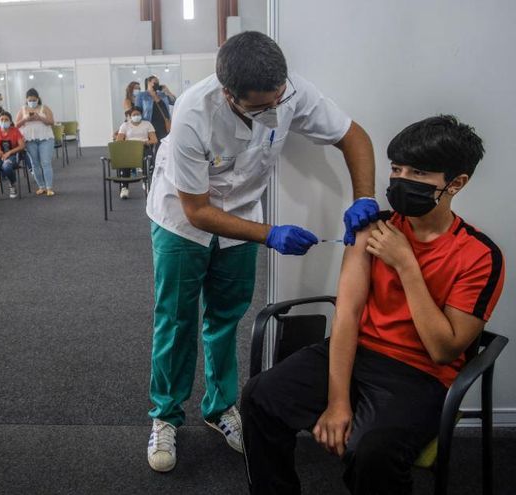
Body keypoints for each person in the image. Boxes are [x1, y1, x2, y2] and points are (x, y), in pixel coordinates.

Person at [143, 31, 379, 473]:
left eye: (279, 99)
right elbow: (197, 210)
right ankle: (166, 417)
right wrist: (269, 234)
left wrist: (363, 197)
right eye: (262, 106)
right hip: (181, 219)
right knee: (176, 321)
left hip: (242, 217)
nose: (276, 109)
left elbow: (354, 136)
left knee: (226, 318)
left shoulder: (290, 91)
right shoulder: (194, 111)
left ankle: (219, 409)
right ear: (230, 95)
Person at [240, 115, 505, 494]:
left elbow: (443, 349)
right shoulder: (372, 227)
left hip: (420, 375)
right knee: (260, 396)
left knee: (371, 452)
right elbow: (346, 314)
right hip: (358, 351)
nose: (400, 180)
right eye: (396, 168)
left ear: (456, 183)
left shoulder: (479, 255)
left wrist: (406, 265)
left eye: (418, 173)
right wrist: (338, 402)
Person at [15, 88, 57, 196]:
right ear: (26, 99)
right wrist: (26, 119)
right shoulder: (23, 109)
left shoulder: (45, 108)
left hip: (46, 138)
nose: (32, 102)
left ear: (38, 99)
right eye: (30, 100)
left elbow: (52, 122)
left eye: (34, 100)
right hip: (29, 140)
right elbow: (16, 125)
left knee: (46, 162)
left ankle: (49, 187)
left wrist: (39, 118)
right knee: (35, 164)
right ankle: (41, 186)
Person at [115, 105, 157, 199]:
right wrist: (129, 144)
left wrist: (145, 142)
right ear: (130, 116)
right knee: (124, 160)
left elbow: (154, 140)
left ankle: (145, 182)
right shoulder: (125, 125)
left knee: (147, 158)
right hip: (129, 148)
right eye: (134, 114)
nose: (136, 116)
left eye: (138, 114)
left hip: (144, 147)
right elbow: (119, 140)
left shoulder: (147, 124)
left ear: (141, 115)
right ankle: (124, 187)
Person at [0, 111, 25, 200]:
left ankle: (12, 185)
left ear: (10, 121)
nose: (3, 121)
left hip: (12, 155)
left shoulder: (15, 130)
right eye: (1, 119)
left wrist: (9, 152)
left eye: (6, 120)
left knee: (6, 166)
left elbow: (22, 146)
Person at [135, 74, 176, 143]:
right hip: (150, 124)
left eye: (158, 82)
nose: (157, 84)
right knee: (153, 144)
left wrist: (168, 92)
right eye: (155, 82)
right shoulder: (142, 95)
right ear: (149, 82)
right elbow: (138, 110)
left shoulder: (162, 94)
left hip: (164, 124)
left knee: (164, 144)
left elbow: (174, 102)